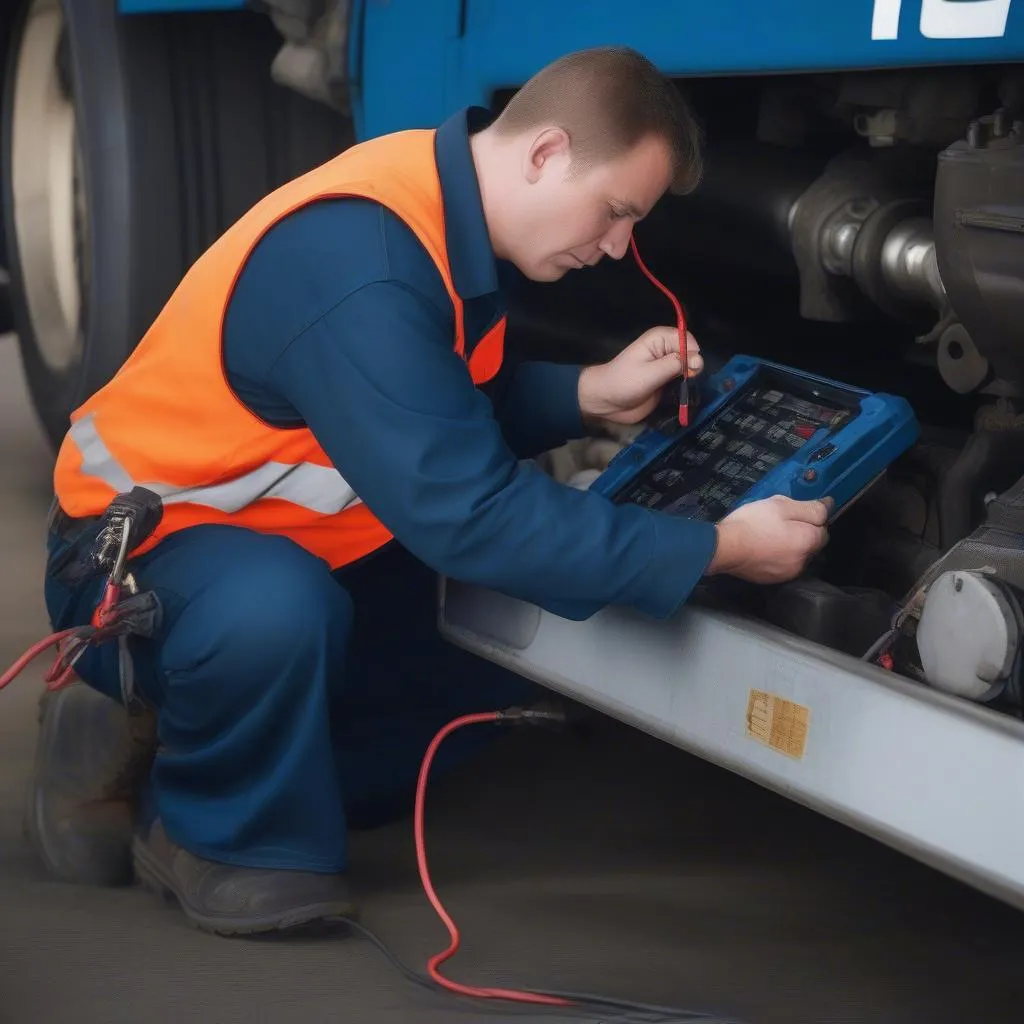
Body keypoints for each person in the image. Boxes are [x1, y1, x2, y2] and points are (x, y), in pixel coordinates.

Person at [29, 46, 830, 935]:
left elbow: (426, 405)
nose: (616, 249)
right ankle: (210, 831)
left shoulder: (438, 211)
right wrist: (719, 547)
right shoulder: (362, 261)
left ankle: (180, 721)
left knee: (454, 689)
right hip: (132, 565)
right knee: (275, 614)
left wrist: (583, 392)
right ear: (545, 154)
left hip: (287, 541)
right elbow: (472, 515)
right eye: (615, 213)